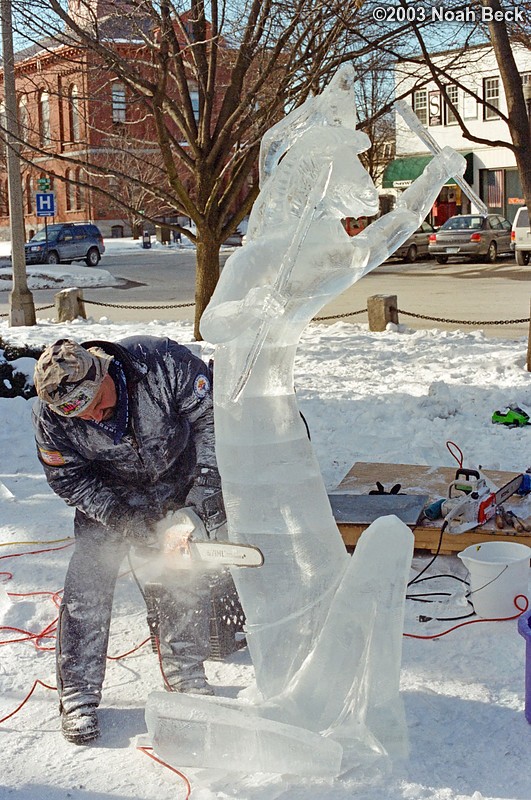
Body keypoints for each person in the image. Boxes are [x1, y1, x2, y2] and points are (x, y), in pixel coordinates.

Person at [32, 336, 225, 745]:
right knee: (88, 579)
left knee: (182, 568)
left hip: (180, 477)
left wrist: (201, 494)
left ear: (102, 372)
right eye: (82, 415)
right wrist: (120, 518)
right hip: (111, 494)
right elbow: (68, 477)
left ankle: (186, 673)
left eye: (98, 403)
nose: (96, 415)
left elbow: (214, 421)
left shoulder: (161, 364)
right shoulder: (52, 420)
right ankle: (78, 694)